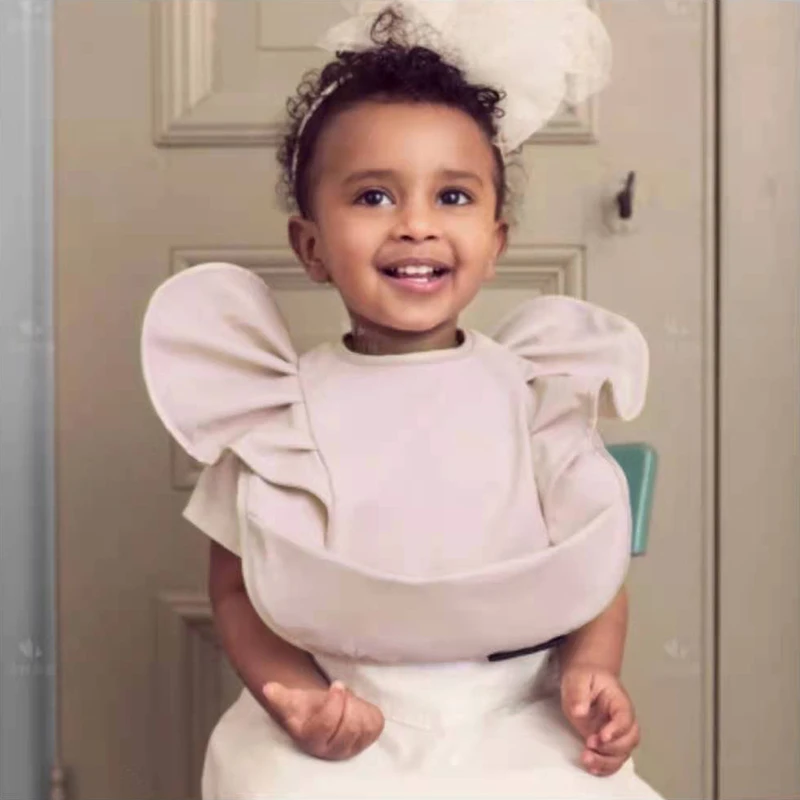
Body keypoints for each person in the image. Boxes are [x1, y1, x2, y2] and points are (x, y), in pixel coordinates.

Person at [140, 2, 663, 797]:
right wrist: (294, 697)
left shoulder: (535, 397)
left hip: (516, 710)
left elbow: (593, 567)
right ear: (311, 246)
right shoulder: (277, 410)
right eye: (374, 197)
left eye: (452, 197)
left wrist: (593, 669)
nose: (416, 225)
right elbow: (237, 587)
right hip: (346, 707)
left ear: (496, 241)